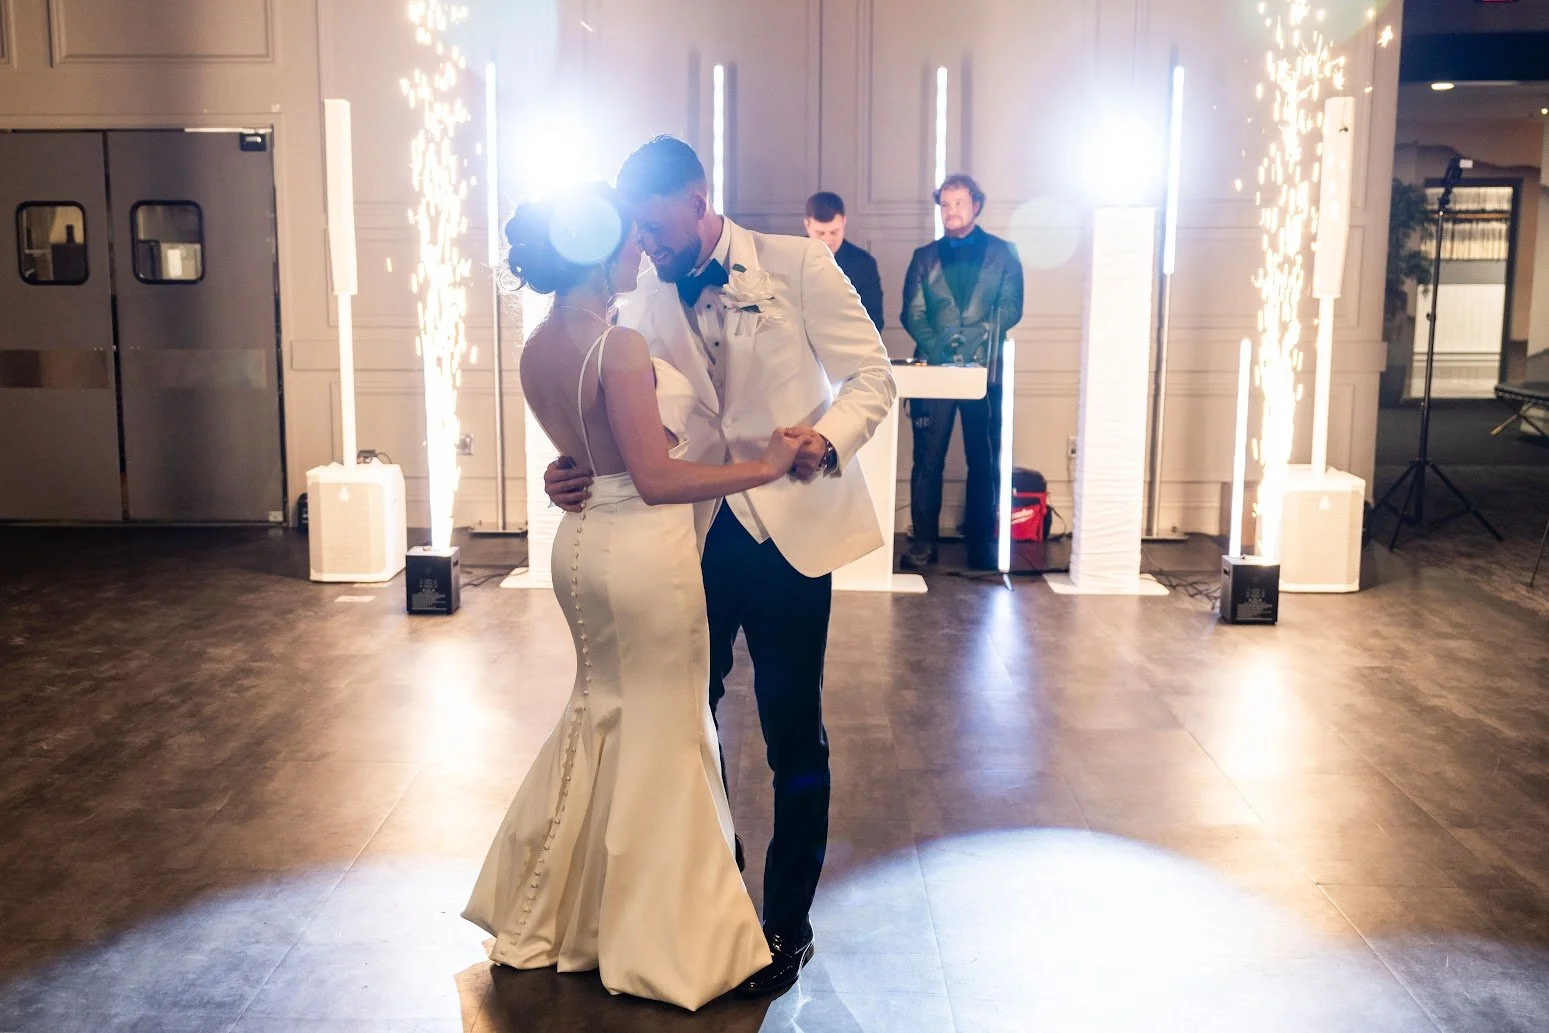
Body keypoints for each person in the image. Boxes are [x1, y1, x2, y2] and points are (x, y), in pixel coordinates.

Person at [544, 137, 896, 998]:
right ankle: (718, 904)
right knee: (686, 725)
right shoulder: (636, 295)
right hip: (686, 533)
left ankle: (786, 921)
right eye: (635, 229)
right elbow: (616, 406)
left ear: (698, 199)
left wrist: (827, 436)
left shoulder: (797, 266)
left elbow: (872, 377)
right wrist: (573, 465)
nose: (647, 242)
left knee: (789, 730)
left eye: (656, 224)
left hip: (789, 531)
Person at [463, 183, 804, 1011]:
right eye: (629, 238)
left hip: (582, 545)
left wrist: (573, 469)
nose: (641, 249)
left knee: (603, 712)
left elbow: (589, 451)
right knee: (660, 725)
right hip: (641, 552)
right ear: (596, 247)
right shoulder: (614, 346)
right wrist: (765, 465)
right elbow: (653, 478)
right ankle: (660, 937)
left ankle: (564, 913)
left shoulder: (538, 343)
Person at [899, 173, 1024, 571]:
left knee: (984, 459)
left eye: (959, 203)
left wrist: (974, 344)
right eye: (945, 204)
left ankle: (981, 545)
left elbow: (1011, 306)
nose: (951, 211)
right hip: (933, 371)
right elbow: (912, 313)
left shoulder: (1005, 253)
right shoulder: (924, 256)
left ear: (976, 205)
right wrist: (944, 350)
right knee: (927, 461)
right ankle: (923, 544)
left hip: (986, 371)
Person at [804, 191, 885, 332]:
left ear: (844, 222)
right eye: (820, 233)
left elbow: (874, 320)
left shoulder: (864, 264)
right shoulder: (790, 258)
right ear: (807, 225)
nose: (827, 240)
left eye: (834, 232)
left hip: (848, 348)